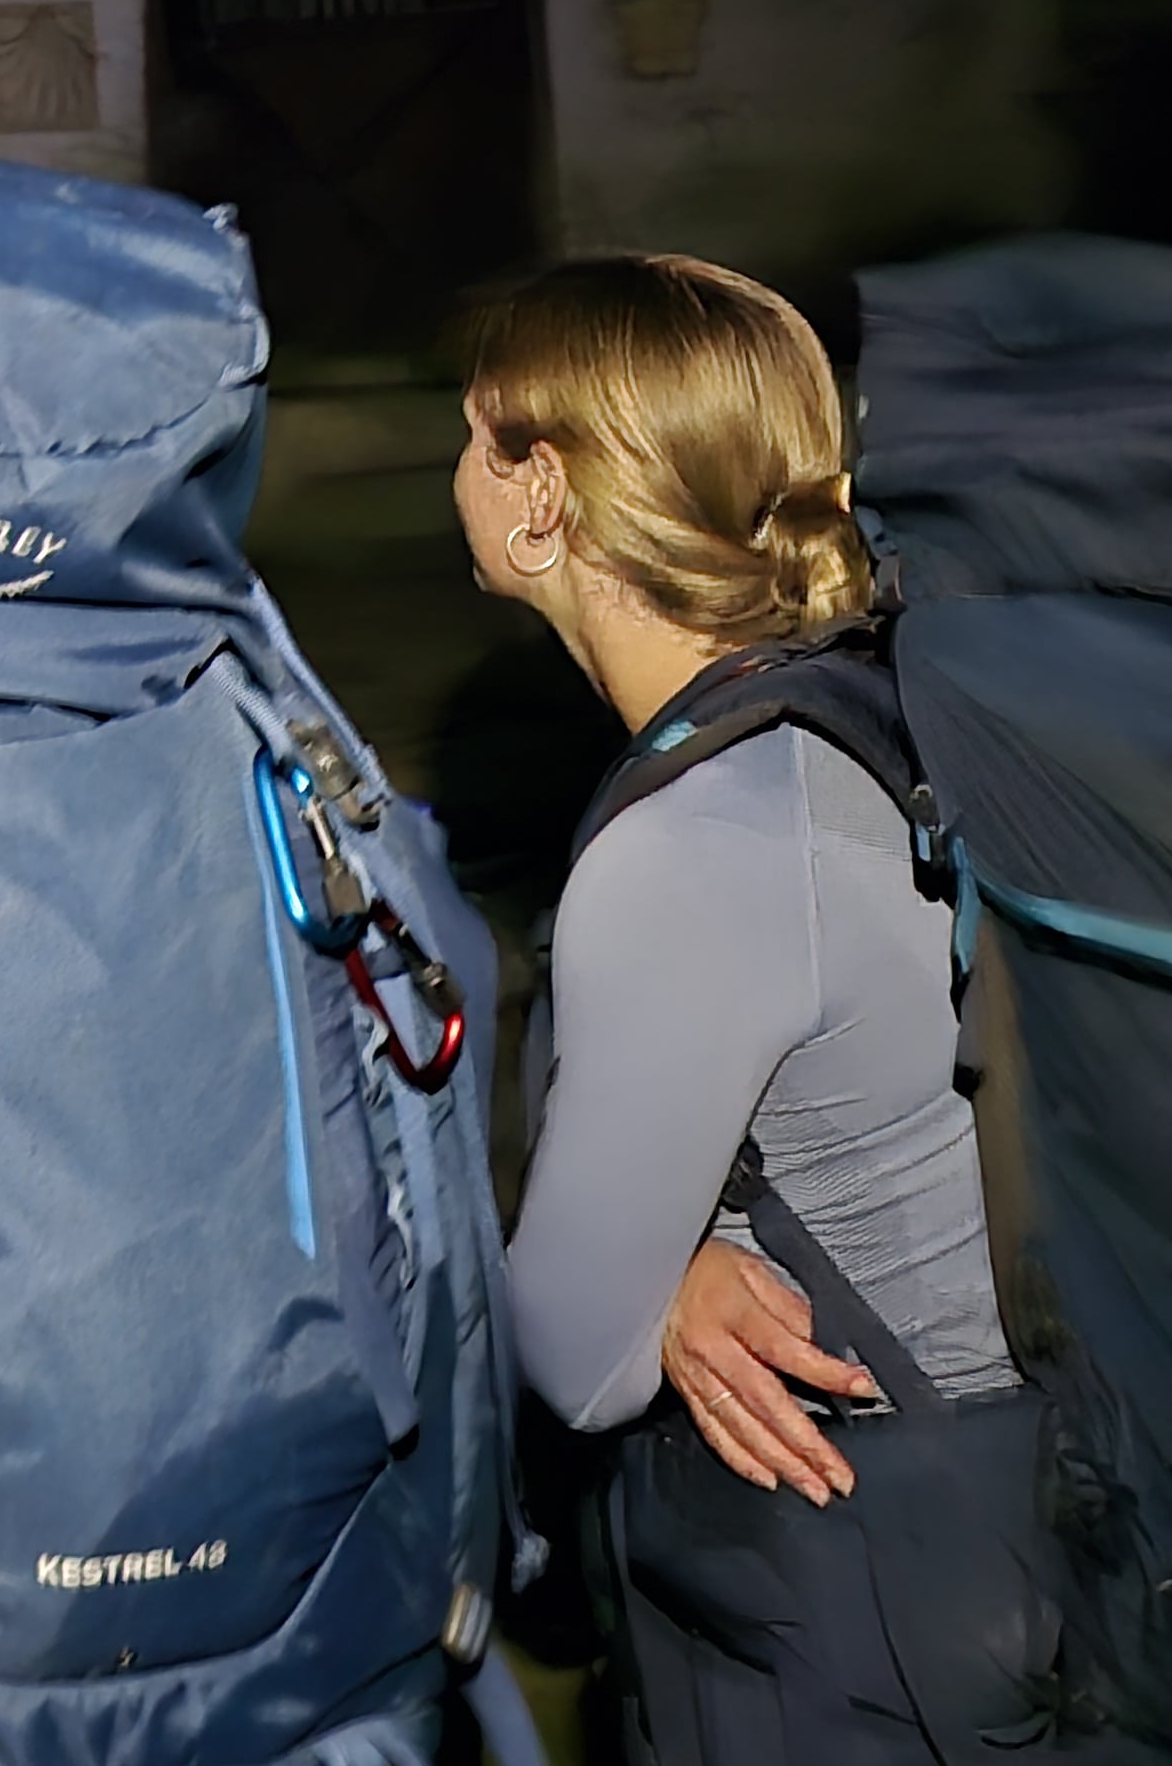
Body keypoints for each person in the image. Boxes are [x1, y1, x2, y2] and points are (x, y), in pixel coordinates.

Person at [460, 255, 1029, 1762]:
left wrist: (650, 1279)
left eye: (474, 432)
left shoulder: (695, 843)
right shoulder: (871, 694)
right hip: (1019, 1512)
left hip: (867, 1595)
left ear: (542, 497)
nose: (456, 463)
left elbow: (572, 1355)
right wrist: (686, 1256)